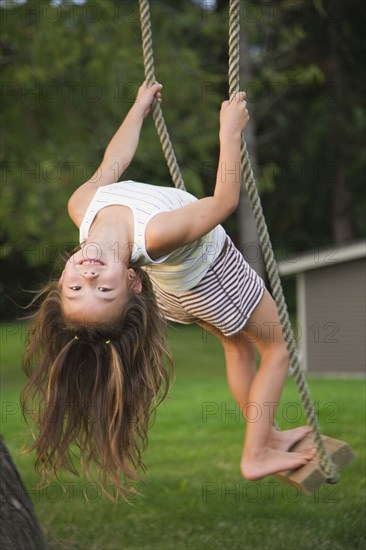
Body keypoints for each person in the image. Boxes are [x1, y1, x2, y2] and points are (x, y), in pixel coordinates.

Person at [21, 81, 314, 499]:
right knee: (278, 347)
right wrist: (230, 133)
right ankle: (256, 453)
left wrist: (138, 109)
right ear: (131, 282)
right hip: (214, 280)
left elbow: (114, 160)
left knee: (238, 349)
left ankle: (264, 436)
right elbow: (224, 201)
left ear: (62, 279)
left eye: (75, 286)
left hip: (183, 292)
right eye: (103, 290)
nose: (88, 275)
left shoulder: (83, 207)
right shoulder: (156, 233)